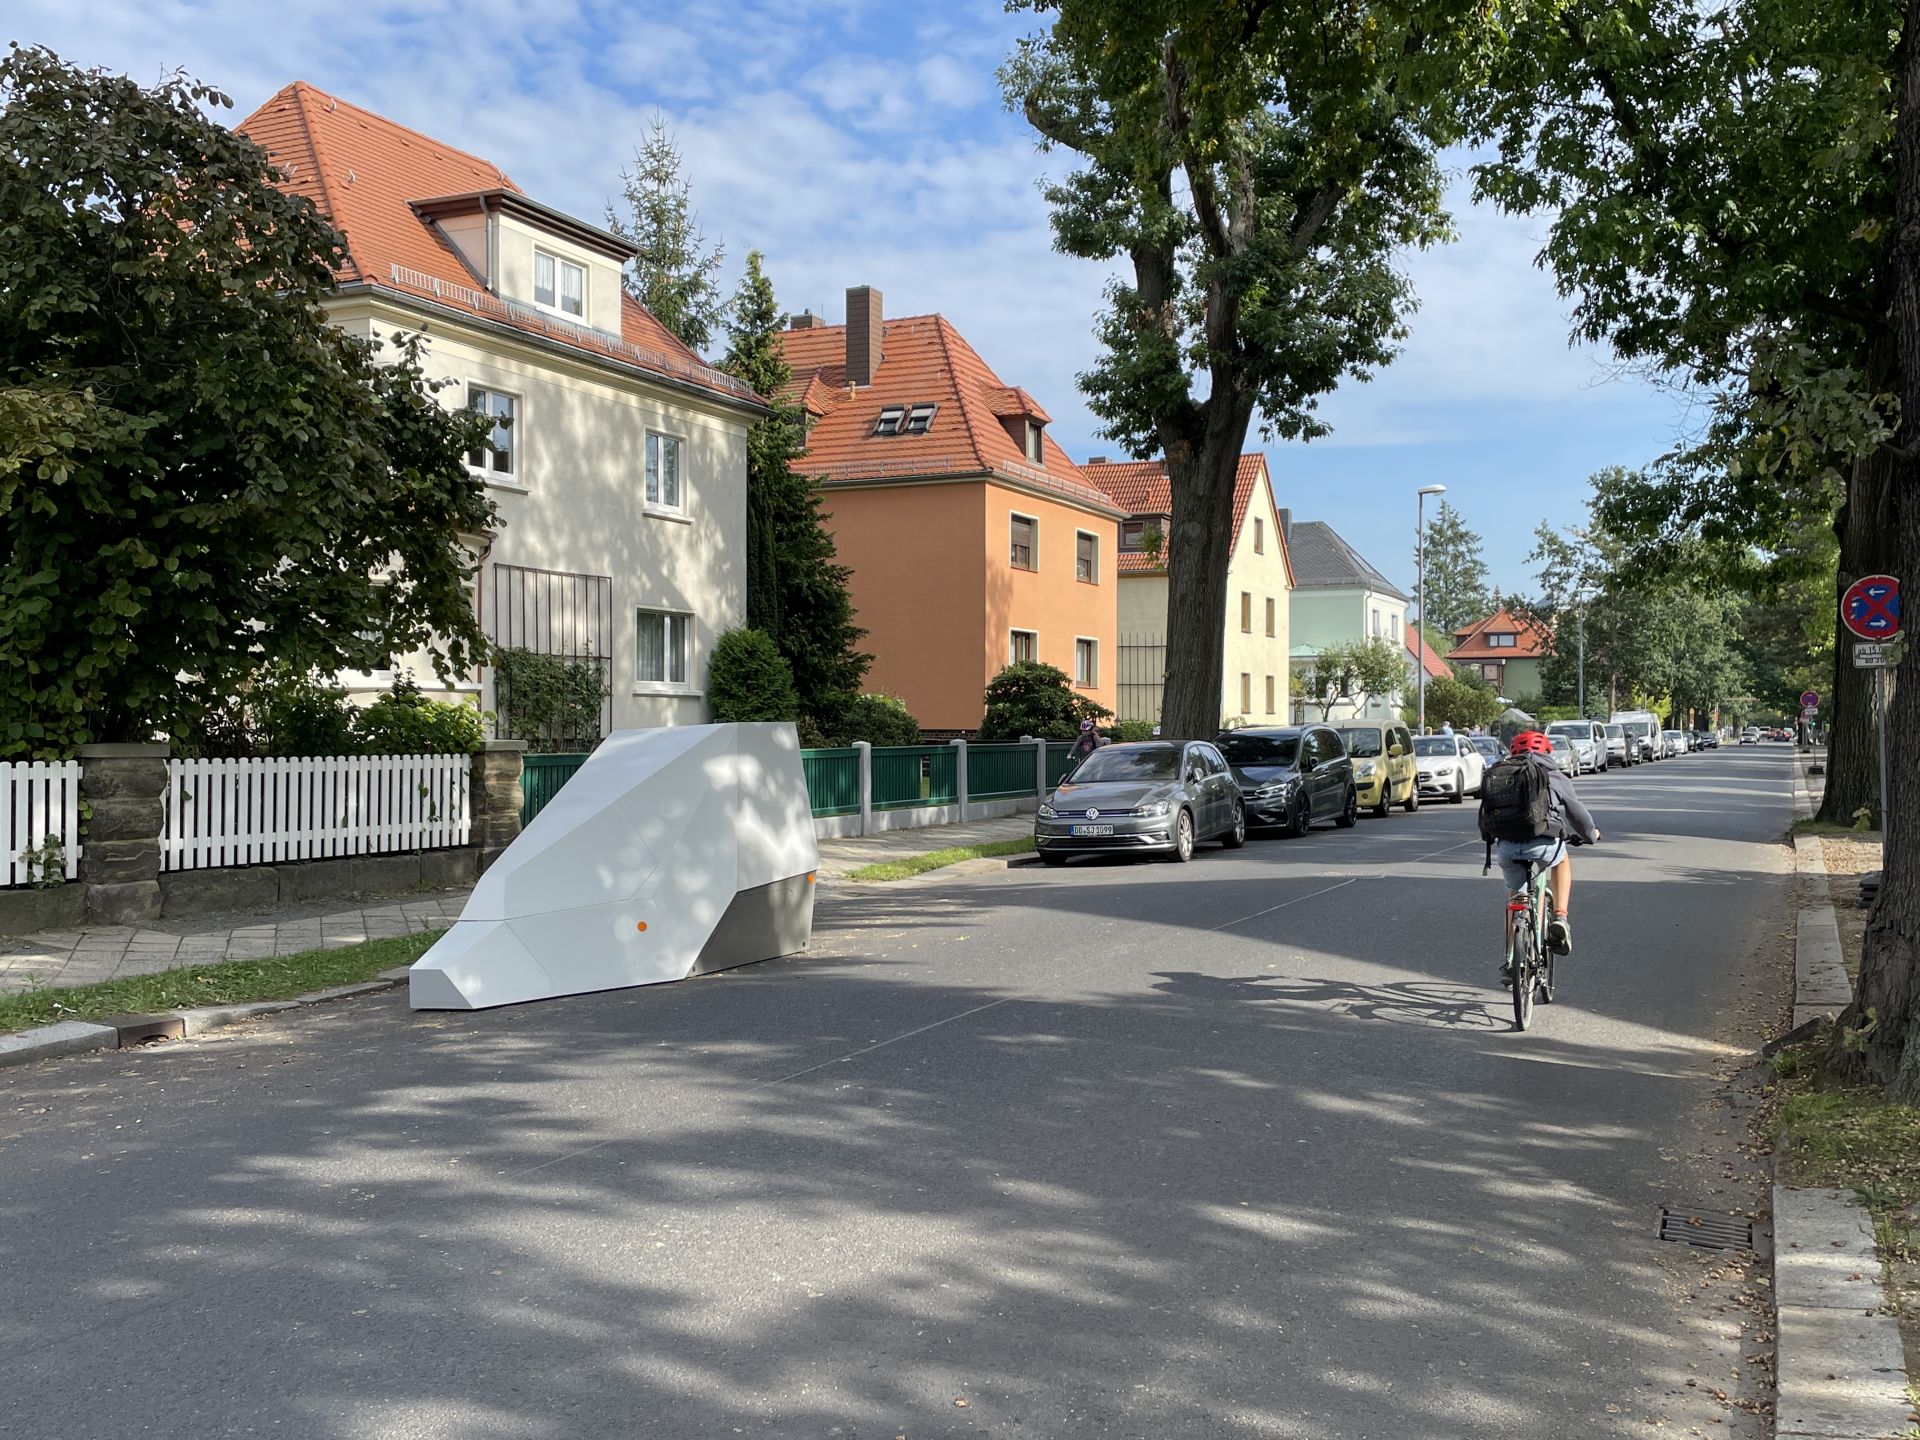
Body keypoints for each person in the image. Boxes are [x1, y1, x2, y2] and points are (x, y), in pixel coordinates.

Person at [1478, 730, 1599, 960]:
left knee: (1517, 896)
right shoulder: (1554, 775)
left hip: (1507, 848)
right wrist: (1590, 835)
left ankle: (1511, 957)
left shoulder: (1502, 775)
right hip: (1543, 844)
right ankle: (1560, 917)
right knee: (1561, 860)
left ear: (1513, 752)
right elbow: (1577, 814)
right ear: (1546, 751)